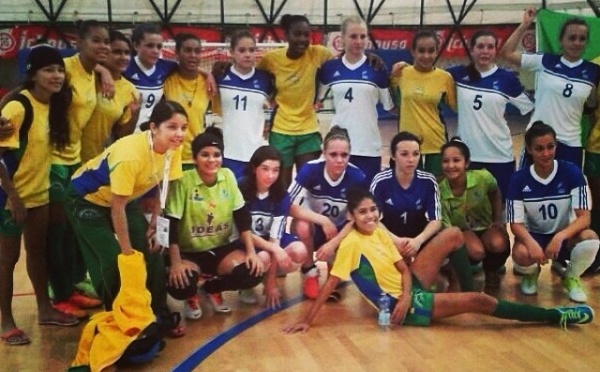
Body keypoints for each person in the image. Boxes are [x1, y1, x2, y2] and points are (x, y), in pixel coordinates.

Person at [283, 187, 594, 333]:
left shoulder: (377, 231)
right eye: (362, 212)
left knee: (452, 234)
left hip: (408, 289)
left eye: (373, 210)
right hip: (400, 306)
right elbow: (331, 284)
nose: (371, 216)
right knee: (480, 302)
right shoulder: (351, 244)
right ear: (351, 216)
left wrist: (407, 289)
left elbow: (403, 268)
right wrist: (306, 320)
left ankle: (463, 287)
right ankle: (556, 316)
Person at [66, 101, 186, 320]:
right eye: (172, 127)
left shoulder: (173, 148)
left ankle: (156, 312)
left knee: (153, 250)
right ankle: (118, 316)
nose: (179, 133)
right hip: (86, 200)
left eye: (183, 127)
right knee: (113, 259)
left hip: (124, 200)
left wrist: (154, 224)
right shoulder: (129, 155)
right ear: (153, 127)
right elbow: (117, 207)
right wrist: (127, 250)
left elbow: (164, 186)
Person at [0, 45, 79, 347]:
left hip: (39, 193)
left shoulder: (53, 105)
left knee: (38, 253)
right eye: (48, 70)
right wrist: (14, 197)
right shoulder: (18, 107)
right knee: (8, 260)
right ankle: (6, 321)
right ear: (32, 74)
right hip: (10, 196)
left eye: (59, 69)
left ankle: (45, 310)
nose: (56, 75)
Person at [164, 127, 265, 325]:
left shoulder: (227, 176)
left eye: (216, 155)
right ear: (194, 159)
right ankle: (190, 295)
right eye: (205, 155)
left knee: (253, 272)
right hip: (189, 252)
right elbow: (171, 224)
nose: (212, 160)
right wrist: (175, 263)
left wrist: (251, 252)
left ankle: (212, 287)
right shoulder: (184, 181)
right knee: (180, 285)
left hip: (221, 249)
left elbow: (242, 216)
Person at [46, 20, 111, 319]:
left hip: (75, 160)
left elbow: (94, 67)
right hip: (51, 160)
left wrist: (104, 70)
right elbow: (25, 91)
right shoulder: (66, 68)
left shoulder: (91, 73)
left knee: (72, 230)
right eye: (96, 41)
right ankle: (57, 295)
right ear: (80, 42)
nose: (103, 47)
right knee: (57, 231)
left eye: (106, 42)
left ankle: (71, 287)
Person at [506, 121, 599, 303]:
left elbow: (585, 218)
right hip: (535, 236)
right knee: (521, 254)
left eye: (550, 147)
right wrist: (531, 243)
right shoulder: (518, 179)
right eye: (539, 149)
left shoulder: (571, 172)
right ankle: (532, 273)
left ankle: (571, 276)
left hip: (565, 236)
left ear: (556, 145)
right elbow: (515, 224)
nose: (546, 153)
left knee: (590, 240)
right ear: (530, 150)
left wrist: (559, 237)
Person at [370, 132, 472, 292]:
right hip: (390, 243)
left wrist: (417, 241)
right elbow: (372, 221)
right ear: (393, 156)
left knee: (454, 234)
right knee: (398, 287)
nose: (411, 159)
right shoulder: (380, 181)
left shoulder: (428, 181)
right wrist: (397, 241)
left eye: (415, 154)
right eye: (404, 154)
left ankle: (467, 290)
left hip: (418, 244)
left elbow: (436, 220)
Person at [500, 7, 599, 169]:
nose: (576, 43)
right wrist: (525, 24)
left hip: (570, 143)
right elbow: (507, 53)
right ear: (561, 40)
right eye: (572, 38)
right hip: (538, 140)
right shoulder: (545, 61)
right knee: (530, 190)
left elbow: (591, 108)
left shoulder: (593, 71)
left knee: (566, 192)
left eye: (582, 38)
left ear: (587, 42)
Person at [447, 30, 534, 199]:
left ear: (495, 50)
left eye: (490, 47)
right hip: (468, 156)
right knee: (470, 208)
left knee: (500, 209)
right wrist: (403, 66)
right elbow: (428, 73)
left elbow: (530, 107)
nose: (485, 51)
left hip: (499, 154)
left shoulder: (506, 79)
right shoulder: (457, 75)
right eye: (480, 46)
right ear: (471, 50)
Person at [289, 126, 367, 300]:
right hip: (315, 229)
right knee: (302, 225)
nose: (339, 160)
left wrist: (334, 243)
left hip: (339, 232)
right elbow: (287, 206)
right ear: (324, 154)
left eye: (344, 155)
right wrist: (323, 220)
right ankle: (310, 271)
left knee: (357, 233)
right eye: (333, 155)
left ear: (350, 155)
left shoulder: (357, 177)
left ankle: (334, 270)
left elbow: (359, 219)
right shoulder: (310, 169)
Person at [258, 14, 333, 186]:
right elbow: (254, 79)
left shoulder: (318, 53)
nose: (302, 39)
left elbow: (345, 64)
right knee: (281, 187)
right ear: (286, 35)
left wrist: (371, 58)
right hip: (281, 131)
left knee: (307, 184)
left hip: (308, 130)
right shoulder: (271, 59)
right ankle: (281, 214)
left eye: (306, 35)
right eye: (297, 34)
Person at [317, 16, 394, 182]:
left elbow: (390, 106)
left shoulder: (377, 68)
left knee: (365, 201)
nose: (358, 41)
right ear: (342, 38)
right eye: (353, 36)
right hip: (338, 148)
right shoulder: (329, 68)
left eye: (362, 36)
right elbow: (316, 101)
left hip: (368, 147)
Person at [239, 145, 307, 308]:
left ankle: (270, 275)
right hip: (246, 241)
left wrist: (271, 283)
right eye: (265, 169)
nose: (271, 175)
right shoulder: (241, 188)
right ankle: (247, 284)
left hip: (268, 242)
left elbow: (275, 240)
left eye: (276, 170)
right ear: (255, 168)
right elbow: (242, 231)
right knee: (263, 257)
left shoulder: (281, 195)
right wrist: (274, 250)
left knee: (299, 251)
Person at [439, 138, 510, 293]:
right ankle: (455, 272)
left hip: (485, 226)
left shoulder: (482, 177)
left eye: (456, 160)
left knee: (498, 243)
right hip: (461, 232)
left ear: (467, 163)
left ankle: (491, 270)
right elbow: (448, 230)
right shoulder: (440, 191)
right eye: (446, 161)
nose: (451, 165)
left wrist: (497, 219)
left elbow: (495, 191)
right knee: (476, 251)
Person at [390, 30, 456, 176]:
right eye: (421, 50)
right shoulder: (401, 74)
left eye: (431, 51)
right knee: (410, 187)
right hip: (408, 145)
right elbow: (391, 103)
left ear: (437, 51)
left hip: (436, 142)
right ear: (413, 51)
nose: (426, 56)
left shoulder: (445, 78)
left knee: (435, 188)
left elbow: (456, 106)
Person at [212, 30, 274, 179]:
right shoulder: (221, 75)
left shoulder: (265, 79)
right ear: (231, 52)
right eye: (242, 50)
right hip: (228, 151)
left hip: (255, 151)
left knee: (251, 198)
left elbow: (277, 101)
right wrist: (208, 74)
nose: (247, 54)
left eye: (252, 50)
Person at [80, 30, 140, 163]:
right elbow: (78, 59)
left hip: (95, 162)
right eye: (117, 52)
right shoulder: (87, 75)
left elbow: (121, 135)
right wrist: (103, 71)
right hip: (65, 157)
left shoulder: (130, 90)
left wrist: (134, 116)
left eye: (127, 53)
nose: (123, 57)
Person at [164, 33, 210, 170]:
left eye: (197, 51)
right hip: (169, 155)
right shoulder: (166, 80)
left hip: (197, 157)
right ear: (177, 54)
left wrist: (209, 74)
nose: (193, 55)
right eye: (188, 50)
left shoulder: (209, 84)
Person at [124, 23, 180, 130]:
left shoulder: (164, 67)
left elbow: (187, 67)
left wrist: (208, 74)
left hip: (150, 132)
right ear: (135, 45)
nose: (155, 51)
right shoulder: (125, 65)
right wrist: (104, 72)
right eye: (150, 45)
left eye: (159, 46)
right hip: (125, 131)